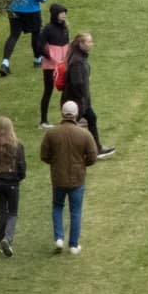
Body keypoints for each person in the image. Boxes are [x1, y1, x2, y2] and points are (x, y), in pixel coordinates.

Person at [41, 104, 97, 252]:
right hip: (77, 178)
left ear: (62, 113)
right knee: (76, 211)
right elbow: (93, 156)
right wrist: (83, 164)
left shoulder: (51, 133)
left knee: (57, 206)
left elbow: (44, 155)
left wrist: (55, 163)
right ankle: (73, 244)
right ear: (76, 114)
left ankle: (59, 238)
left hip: (58, 177)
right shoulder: (84, 134)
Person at [0, 111, 27, 255]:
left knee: (2, 212)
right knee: (13, 213)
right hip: (13, 183)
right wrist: (18, 178)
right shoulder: (17, 146)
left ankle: (2, 238)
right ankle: (7, 238)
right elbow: (22, 166)